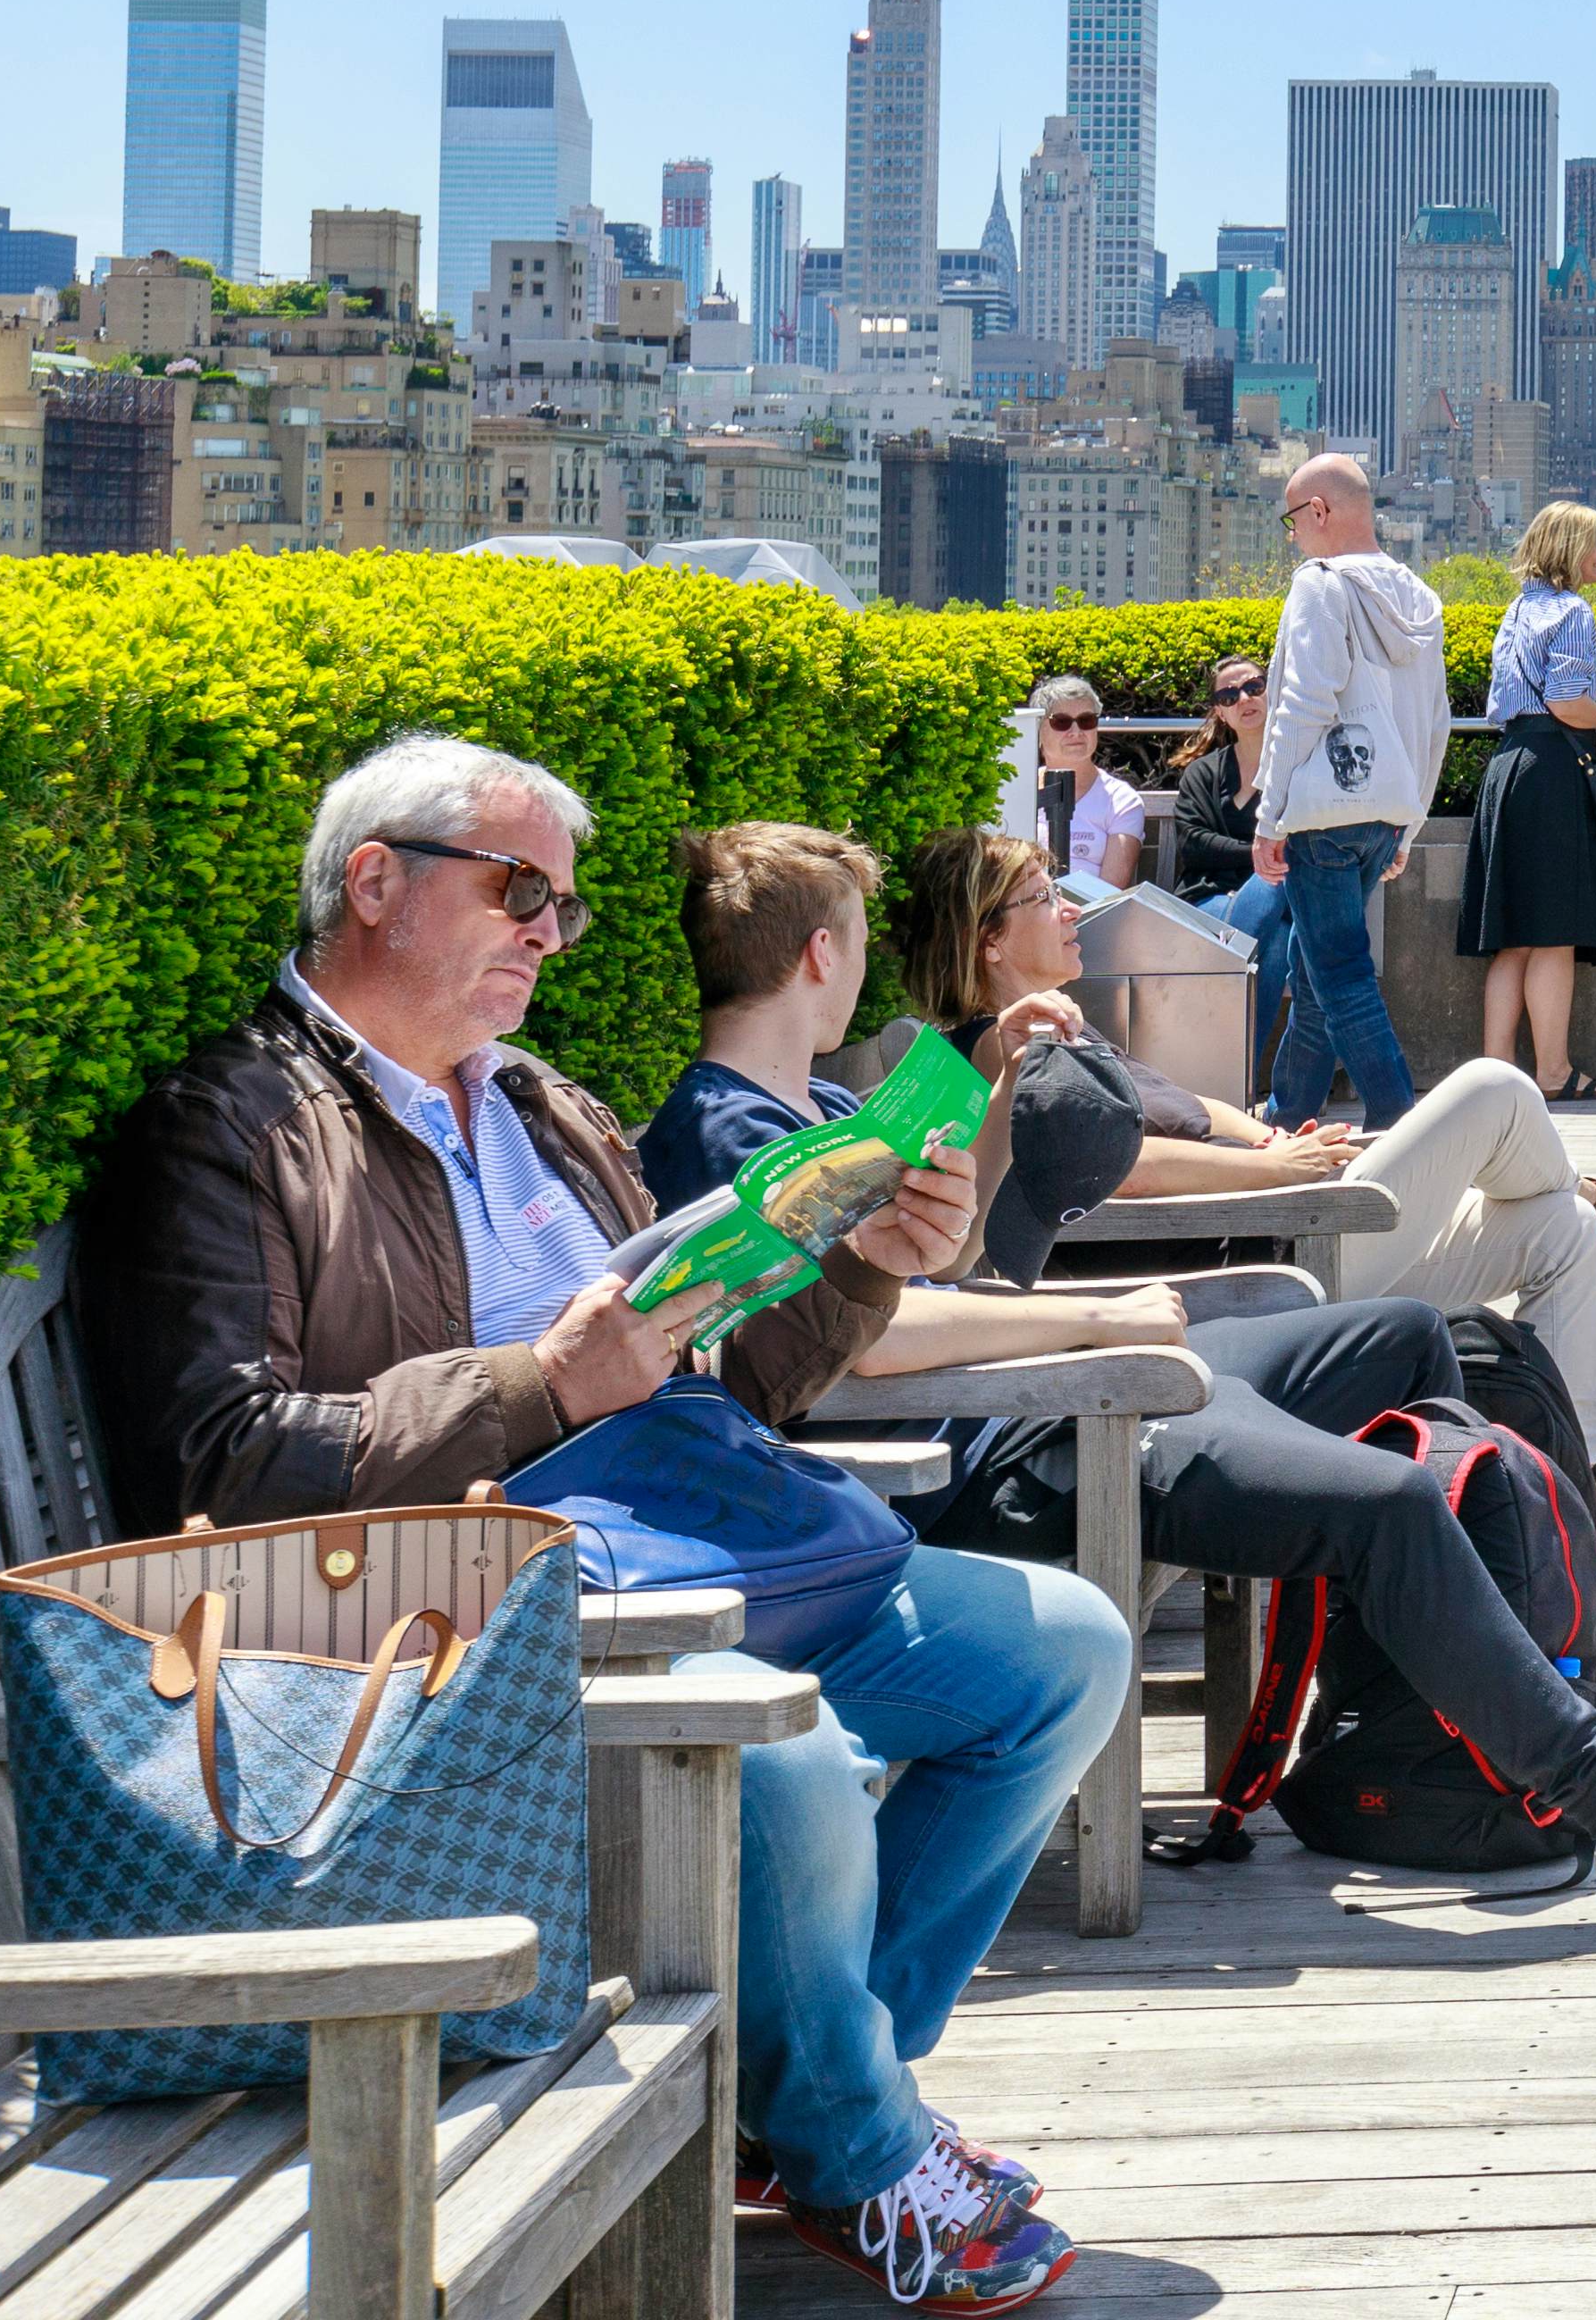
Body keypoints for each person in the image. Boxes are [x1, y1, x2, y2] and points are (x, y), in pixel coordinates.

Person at [73, 735, 1116, 2312]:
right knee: (794, 1758)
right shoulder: (236, 1125)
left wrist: (879, 1249)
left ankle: (830, 2102)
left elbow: (735, 1374)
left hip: (675, 1547)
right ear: (374, 883)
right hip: (448, 1616)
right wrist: (536, 1388)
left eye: (560, 908)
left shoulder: (547, 1108)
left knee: (1060, 1650)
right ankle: (857, 2140)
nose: (551, 938)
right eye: (517, 894)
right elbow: (215, 1462)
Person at [646, 822, 1596, 1943]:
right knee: (1389, 1507)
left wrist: (1003, 1091)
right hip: (1027, 1443)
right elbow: (857, 1344)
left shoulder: (829, 1104)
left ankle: (1449, 1721)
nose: (867, 972)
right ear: (818, 956)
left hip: (1074, 1382)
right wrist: (1091, 1322)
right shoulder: (726, 1139)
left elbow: (956, 1259)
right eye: (856, 945)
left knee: (1398, 1337)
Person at [891, 824, 1596, 1461]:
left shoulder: (1063, 1020)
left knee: (1555, 1232)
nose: (1072, 909)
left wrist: (1266, 1135)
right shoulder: (1007, 1047)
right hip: (1263, 1264)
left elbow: (1188, 1103)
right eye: (1044, 898)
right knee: (1496, 1088)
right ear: (988, 940)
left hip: (1290, 1214)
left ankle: (1593, 1487)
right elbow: (1120, 1168)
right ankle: (1590, 1190)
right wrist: (1269, 1171)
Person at [1251, 454, 1448, 1131]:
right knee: (1315, 982)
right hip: (1383, 816)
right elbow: (1435, 724)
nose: (1293, 537)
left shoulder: (1320, 585)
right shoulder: (1419, 598)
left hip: (1321, 817)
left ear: (1320, 512)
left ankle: (1404, 1128)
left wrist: (1269, 813)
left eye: (1291, 520)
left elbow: (1301, 705)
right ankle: (1284, 1126)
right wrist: (1408, 825)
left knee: (1338, 976)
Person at [1458, 501, 1596, 1100]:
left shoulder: (1517, 610)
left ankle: (1494, 1077)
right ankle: (1555, 1072)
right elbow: (1566, 704)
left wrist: (1592, 703)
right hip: (1549, 776)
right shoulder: (1572, 611)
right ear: (1571, 548)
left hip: (1507, 768)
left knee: (1513, 936)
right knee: (1554, 931)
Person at [997, 675, 1157, 889]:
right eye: (1061, 722)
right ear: (1038, 729)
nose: (1076, 732)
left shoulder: (1122, 800)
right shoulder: (1014, 792)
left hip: (1087, 915)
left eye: (1086, 720)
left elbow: (1110, 892)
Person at [1140, 654, 1266, 900]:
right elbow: (1194, 845)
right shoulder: (1203, 773)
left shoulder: (1297, 769)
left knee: (1267, 892)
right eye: (1229, 696)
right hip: (1209, 895)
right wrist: (1262, 853)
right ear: (1220, 713)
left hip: (1278, 895)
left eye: (1254, 687)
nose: (1244, 698)